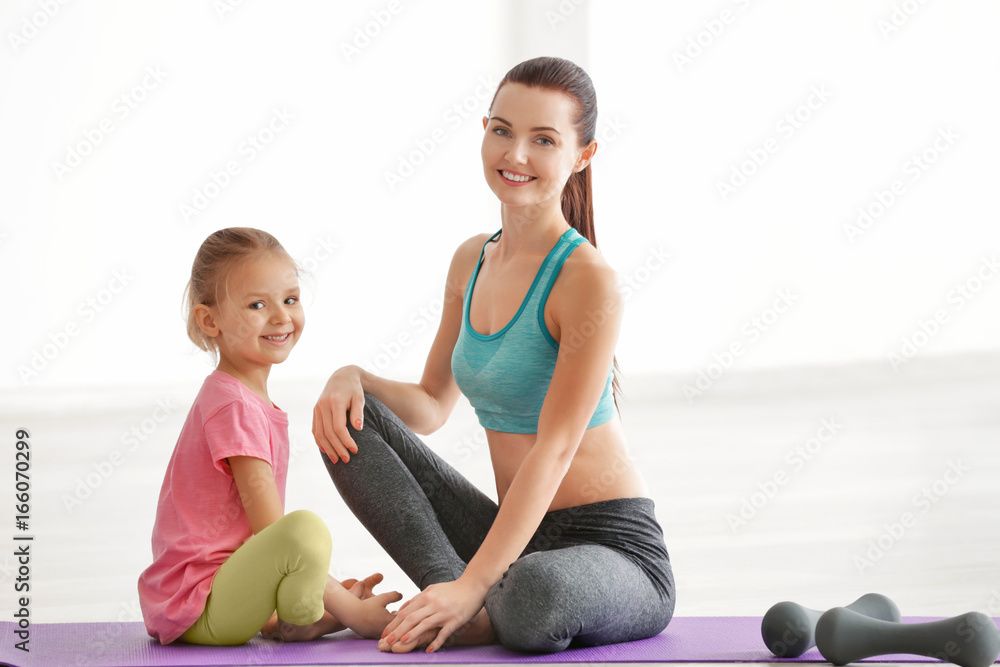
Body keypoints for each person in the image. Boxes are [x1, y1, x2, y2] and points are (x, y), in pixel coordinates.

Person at [312, 57, 676, 654]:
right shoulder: (471, 260)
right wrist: (350, 376)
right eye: (502, 130)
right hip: (518, 536)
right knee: (352, 422)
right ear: (483, 128)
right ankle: (463, 605)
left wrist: (475, 580)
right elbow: (430, 405)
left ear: (582, 156)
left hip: (613, 551)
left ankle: (473, 599)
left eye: (544, 140)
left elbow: (555, 449)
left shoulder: (587, 280)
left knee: (534, 592)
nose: (516, 155)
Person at [138, 227, 401, 646]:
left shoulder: (240, 397)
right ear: (210, 320)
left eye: (290, 299)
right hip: (200, 606)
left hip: (221, 597)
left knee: (300, 536)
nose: (281, 317)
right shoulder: (234, 405)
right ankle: (302, 615)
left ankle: (295, 618)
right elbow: (272, 529)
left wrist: (320, 592)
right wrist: (355, 614)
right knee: (305, 531)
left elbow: (255, 538)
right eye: (257, 304)